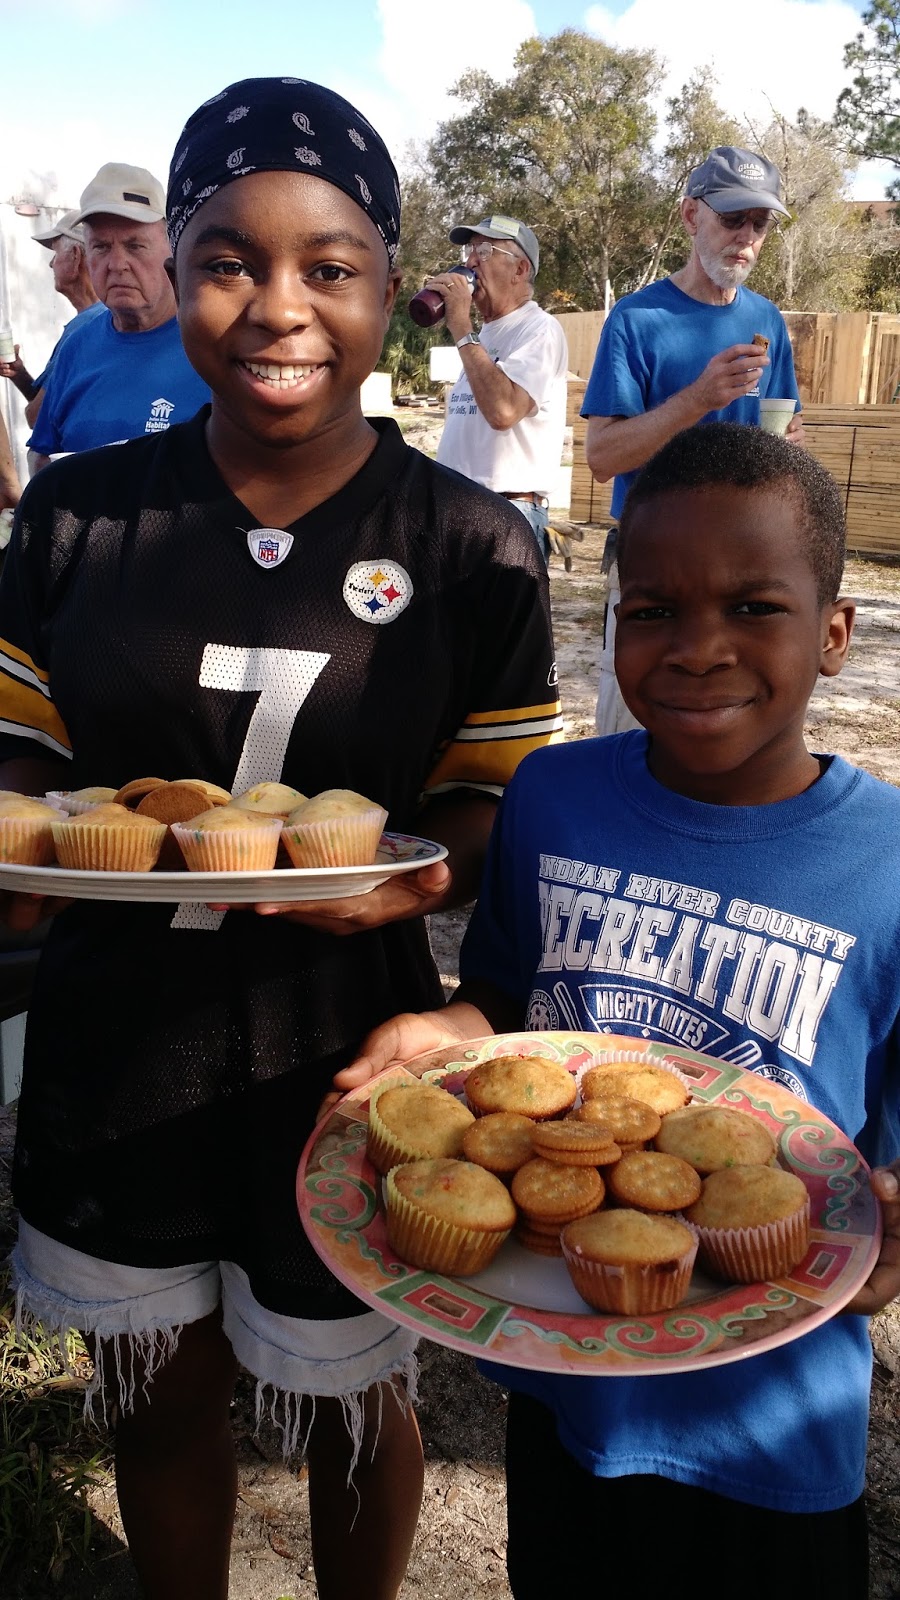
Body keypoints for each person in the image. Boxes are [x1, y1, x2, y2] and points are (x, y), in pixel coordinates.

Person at [0, 77, 560, 1600]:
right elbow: (22, 757)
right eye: (229, 260)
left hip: (349, 1055)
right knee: (161, 1389)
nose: (277, 306)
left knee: (353, 1404)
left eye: (331, 266)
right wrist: (26, 870)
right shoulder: (77, 521)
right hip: (120, 1040)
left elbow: (494, 800)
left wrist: (425, 867)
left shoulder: (470, 544)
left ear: (391, 285)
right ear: (172, 273)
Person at [343, 423, 900, 1600]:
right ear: (609, 626)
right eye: (650, 610)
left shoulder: (889, 862)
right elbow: (504, 997)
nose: (699, 650)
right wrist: (445, 1036)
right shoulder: (553, 794)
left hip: (770, 1410)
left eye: (755, 606)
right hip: (568, 1365)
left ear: (837, 634)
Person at [583, 146, 804, 735]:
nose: (746, 237)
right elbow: (602, 457)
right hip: (654, 558)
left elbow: (784, 437)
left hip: (747, 561)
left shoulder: (768, 323)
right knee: (632, 727)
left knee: (733, 731)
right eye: (732, 218)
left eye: (758, 224)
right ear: (690, 216)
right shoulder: (636, 320)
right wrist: (698, 399)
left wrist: (793, 451)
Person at [28, 164, 209, 468]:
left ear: (173, 249)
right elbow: (42, 451)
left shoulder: (210, 341)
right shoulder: (77, 346)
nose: (117, 264)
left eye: (135, 245)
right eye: (101, 247)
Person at [427, 215, 568, 564]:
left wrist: (460, 327)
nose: (470, 261)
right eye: (469, 251)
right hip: (455, 511)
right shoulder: (483, 337)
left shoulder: (540, 330)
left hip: (507, 513)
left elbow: (503, 411)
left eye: (485, 250)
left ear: (520, 270)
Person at [0, 210, 102, 433]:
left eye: (55, 254)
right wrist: (19, 374)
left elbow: (38, 417)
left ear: (75, 257)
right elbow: (52, 401)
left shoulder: (85, 326)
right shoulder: (103, 318)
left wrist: (32, 411)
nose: (50, 264)